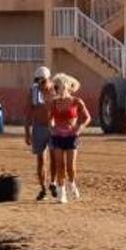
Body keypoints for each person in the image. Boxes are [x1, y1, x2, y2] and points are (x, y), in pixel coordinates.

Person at [48, 73, 91, 204]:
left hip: (72, 136)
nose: (57, 89)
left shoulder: (76, 101)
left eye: (59, 86)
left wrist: (79, 128)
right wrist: (52, 128)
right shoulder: (53, 103)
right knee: (60, 165)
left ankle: (72, 183)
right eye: (55, 87)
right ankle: (62, 193)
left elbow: (87, 117)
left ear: (67, 87)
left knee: (70, 167)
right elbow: (49, 120)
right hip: (57, 136)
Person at [23, 66, 55, 200]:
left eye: (43, 81)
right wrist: (27, 132)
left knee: (54, 157)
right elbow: (28, 112)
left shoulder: (56, 90)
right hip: (38, 127)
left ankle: (52, 183)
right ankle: (43, 188)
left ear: (48, 79)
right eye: (38, 81)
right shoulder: (33, 91)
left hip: (53, 128)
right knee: (41, 159)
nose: (40, 84)